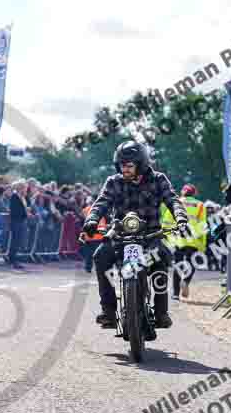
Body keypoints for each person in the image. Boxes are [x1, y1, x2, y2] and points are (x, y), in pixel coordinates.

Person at [83, 140, 187, 330]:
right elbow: (101, 203)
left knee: (162, 257)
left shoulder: (158, 179)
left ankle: (161, 311)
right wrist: (91, 221)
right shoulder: (113, 182)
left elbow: (172, 199)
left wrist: (180, 217)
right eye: (122, 165)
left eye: (129, 165)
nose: (125, 169)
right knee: (100, 256)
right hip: (120, 236)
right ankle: (108, 311)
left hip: (150, 235)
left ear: (141, 164)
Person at [161, 184, 206, 300]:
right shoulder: (200, 205)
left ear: (182, 192)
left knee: (177, 264)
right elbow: (203, 225)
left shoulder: (176, 203)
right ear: (194, 193)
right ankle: (185, 281)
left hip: (177, 239)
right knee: (192, 263)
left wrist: (167, 238)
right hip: (194, 239)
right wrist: (203, 244)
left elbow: (166, 222)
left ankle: (175, 294)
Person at [9, 180, 30, 270]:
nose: (26, 190)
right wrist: (26, 214)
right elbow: (15, 210)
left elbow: (27, 207)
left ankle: (16, 259)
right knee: (15, 240)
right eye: (25, 188)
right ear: (20, 188)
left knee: (19, 240)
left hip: (22, 221)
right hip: (16, 221)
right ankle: (13, 260)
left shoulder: (23, 197)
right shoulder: (14, 196)